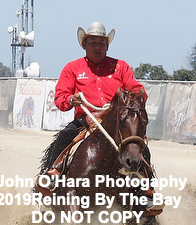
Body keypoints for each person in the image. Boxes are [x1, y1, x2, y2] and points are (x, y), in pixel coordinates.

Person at [37, 22, 160, 214]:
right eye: (93, 42)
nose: (97, 47)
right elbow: (61, 98)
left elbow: (136, 87)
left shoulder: (120, 67)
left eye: (101, 43)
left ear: (107, 46)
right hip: (86, 120)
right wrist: (71, 99)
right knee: (64, 137)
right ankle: (51, 176)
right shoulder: (72, 68)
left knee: (140, 147)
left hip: (115, 122)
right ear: (84, 44)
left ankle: (146, 193)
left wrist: (137, 93)